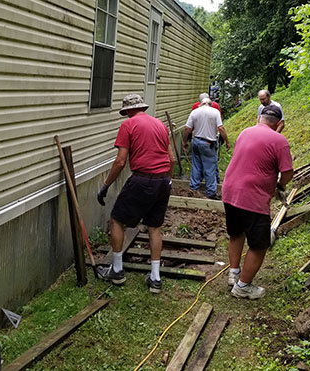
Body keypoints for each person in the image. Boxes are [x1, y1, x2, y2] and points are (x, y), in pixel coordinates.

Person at [96, 94, 176, 293]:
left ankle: (117, 270)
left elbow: (121, 161)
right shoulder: (159, 125)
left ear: (128, 111)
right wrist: (169, 180)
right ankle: (155, 278)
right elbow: (172, 159)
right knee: (154, 227)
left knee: (116, 220)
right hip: (162, 180)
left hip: (142, 179)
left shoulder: (129, 125)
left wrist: (105, 186)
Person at [222, 104, 294, 299]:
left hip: (230, 191)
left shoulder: (245, 132)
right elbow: (287, 172)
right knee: (259, 245)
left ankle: (234, 273)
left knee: (236, 233)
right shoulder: (279, 141)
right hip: (252, 197)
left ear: (259, 118)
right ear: (279, 123)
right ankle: (243, 287)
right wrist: (279, 186)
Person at [183, 98, 230, 199]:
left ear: (201, 104)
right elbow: (221, 128)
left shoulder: (194, 112)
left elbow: (187, 128)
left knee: (196, 166)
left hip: (196, 141)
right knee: (209, 168)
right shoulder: (215, 112)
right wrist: (226, 141)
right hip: (208, 143)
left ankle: (194, 189)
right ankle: (211, 192)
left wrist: (184, 142)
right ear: (210, 104)